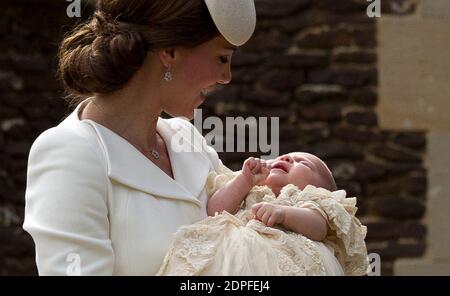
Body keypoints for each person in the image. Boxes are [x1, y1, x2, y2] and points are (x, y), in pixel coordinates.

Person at [23, 0, 257, 275]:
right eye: (221, 58)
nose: (226, 77)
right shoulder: (69, 153)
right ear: (170, 51)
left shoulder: (185, 137)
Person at [157, 152, 369, 276]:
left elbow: (318, 227)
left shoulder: (308, 200)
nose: (287, 158)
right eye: (284, 156)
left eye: (301, 163)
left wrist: (284, 214)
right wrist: (244, 180)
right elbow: (214, 210)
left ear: (319, 187)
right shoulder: (252, 191)